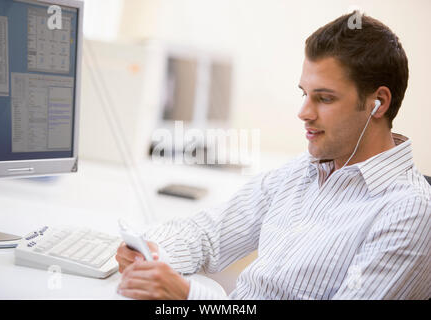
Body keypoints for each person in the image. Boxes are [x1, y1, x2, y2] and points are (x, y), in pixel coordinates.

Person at [115, 11, 431, 300]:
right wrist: (151, 252)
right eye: (304, 94)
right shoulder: (304, 170)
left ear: (378, 103)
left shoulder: (409, 212)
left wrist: (189, 296)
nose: (303, 113)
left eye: (324, 98)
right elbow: (211, 234)